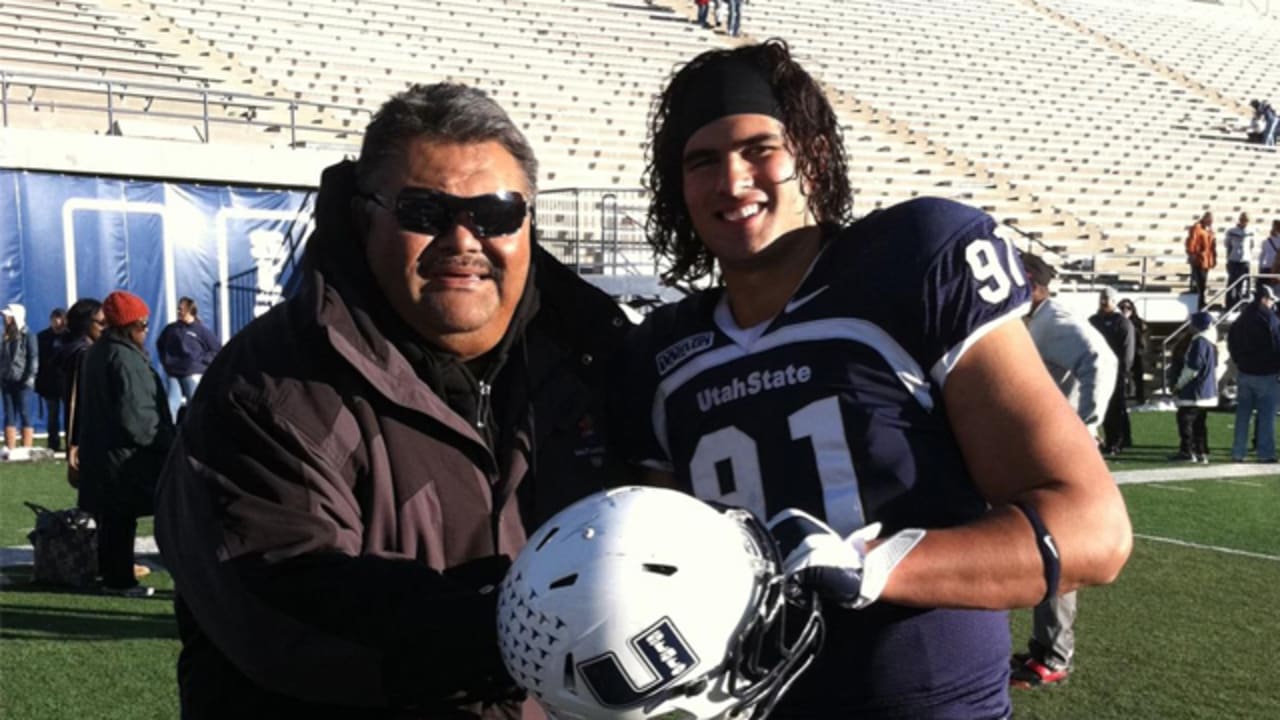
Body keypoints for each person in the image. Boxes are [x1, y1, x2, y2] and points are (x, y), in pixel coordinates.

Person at [623, 41, 1131, 718]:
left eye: (758, 148)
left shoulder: (913, 260)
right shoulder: (661, 350)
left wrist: (881, 566)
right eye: (702, 161)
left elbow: (1094, 532)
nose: (732, 180)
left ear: (814, 156)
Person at [154, 83, 631, 718]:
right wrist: (515, 627)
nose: (463, 240)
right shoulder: (270, 386)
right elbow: (285, 604)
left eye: (494, 213)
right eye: (425, 212)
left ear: (527, 222)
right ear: (364, 216)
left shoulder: (598, 363)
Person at [1012, 252, 1117, 688]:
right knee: (1037, 545)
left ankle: (1053, 655)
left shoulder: (1053, 320)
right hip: (1032, 449)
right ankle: (1045, 648)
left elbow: (1101, 358)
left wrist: (1086, 424)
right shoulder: (1032, 320)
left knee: (1053, 546)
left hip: (1054, 452)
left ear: (1034, 285)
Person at [77, 291, 173, 597]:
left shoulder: (98, 352)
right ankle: (120, 580)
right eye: (143, 324)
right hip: (124, 456)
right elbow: (137, 415)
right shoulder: (124, 358)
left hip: (103, 451)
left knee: (113, 519)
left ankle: (113, 576)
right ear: (130, 325)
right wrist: (167, 442)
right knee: (123, 518)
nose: (146, 330)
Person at [1227, 285, 1280, 463]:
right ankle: (1265, 453)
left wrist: (1238, 361)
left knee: (1243, 415)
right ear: (1265, 299)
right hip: (1266, 373)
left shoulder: (1242, 317)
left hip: (1245, 371)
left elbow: (1231, 340)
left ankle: (1238, 451)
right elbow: (1277, 345)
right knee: (1266, 416)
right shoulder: (1270, 319)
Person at [55, 298, 105, 485]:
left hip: (82, 432)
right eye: (101, 323)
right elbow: (80, 400)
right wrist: (76, 441)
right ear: (85, 325)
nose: (105, 327)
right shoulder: (84, 355)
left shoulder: (73, 351)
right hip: (89, 432)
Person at [155, 296, 221, 421]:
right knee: (171, 404)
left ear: (191, 311)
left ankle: (197, 433)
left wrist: (199, 361)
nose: (178, 311)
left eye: (181, 309)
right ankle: (171, 433)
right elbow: (160, 344)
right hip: (174, 373)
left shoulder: (201, 331)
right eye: (178, 309)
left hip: (190, 373)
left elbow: (216, 350)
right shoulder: (171, 329)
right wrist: (166, 362)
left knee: (195, 404)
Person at [1089, 288, 1135, 455]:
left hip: (1115, 372)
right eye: (1101, 298)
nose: (1103, 302)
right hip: (1097, 370)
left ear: (1114, 301)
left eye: (1106, 299)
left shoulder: (1122, 322)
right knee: (1101, 407)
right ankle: (1107, 439)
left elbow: (1127, 350)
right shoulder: (1093, 320)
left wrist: (1122, 372)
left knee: (1115, 408)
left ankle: (1117, 442)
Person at [1170, 312, 1218, 463]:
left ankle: (1187, 451)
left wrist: (1179, 384)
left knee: (1186, 420)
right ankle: (1201, 451)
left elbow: (1193, 368)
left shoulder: (1199, 342)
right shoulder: (1210, 342)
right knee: (1200, 423)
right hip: (1206, 390)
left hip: (1195, 391)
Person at [1, 303, 37, 457]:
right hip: (7, 379)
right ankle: (10, 447)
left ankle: (27, 447)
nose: (5, 319)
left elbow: (33, 358)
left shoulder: (28, 335)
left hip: (22, 381)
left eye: (8, 316)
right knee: (9, 413)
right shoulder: (5, 336)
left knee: (24, 412)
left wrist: (28, 378)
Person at [35, 308, 67, 452]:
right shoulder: (42, 337)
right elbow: (39, 361)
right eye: (54, 318)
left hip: (66, 381)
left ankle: (71, 442)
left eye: (59, 318)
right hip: (50, 382)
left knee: (69, 414)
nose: (56, 321)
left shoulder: (69, 337)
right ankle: (53, 443)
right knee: (52, 414)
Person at [1117, 298, 1149, 407]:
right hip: (1120, 352)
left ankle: (1140, 398)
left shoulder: (1137, 322)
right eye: (1123, 308)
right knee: (1120, 376)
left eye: (1128, 308)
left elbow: (1141, 336)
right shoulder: (1116, 321)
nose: (1126, 310)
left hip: (1135, 352)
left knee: (1138, 375)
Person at [1186, 212, 1216, 309]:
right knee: (1200, 283)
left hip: (1206, 260)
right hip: (1199, 260)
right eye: (1210, 220)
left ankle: (1202, 302)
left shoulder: (1209, 230)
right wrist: (1192, 254)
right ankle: (1199, 303)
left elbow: (1212, 246)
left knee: (1203, 282)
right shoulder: (1197, 228)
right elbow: (1192, 242)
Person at [1224, 212, 1254, 307]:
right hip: (1234, 260)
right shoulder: (1232, 231)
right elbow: (1227, 244)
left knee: (1242, 283)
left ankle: (1238, 303)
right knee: (1231, 282)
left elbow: (1252, 246)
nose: (1244, 222)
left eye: (1246, 221)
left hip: (1245, 260)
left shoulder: (1251, 231)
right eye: (1243, 220)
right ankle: (1229, 304)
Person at [1260, 219, 1280, 288]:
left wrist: (1260, 267)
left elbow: (1262, 256)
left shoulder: (1266, 241)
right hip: (1270, 267)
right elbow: (1262, 255)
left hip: (1274, 267)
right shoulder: (1266, 241)